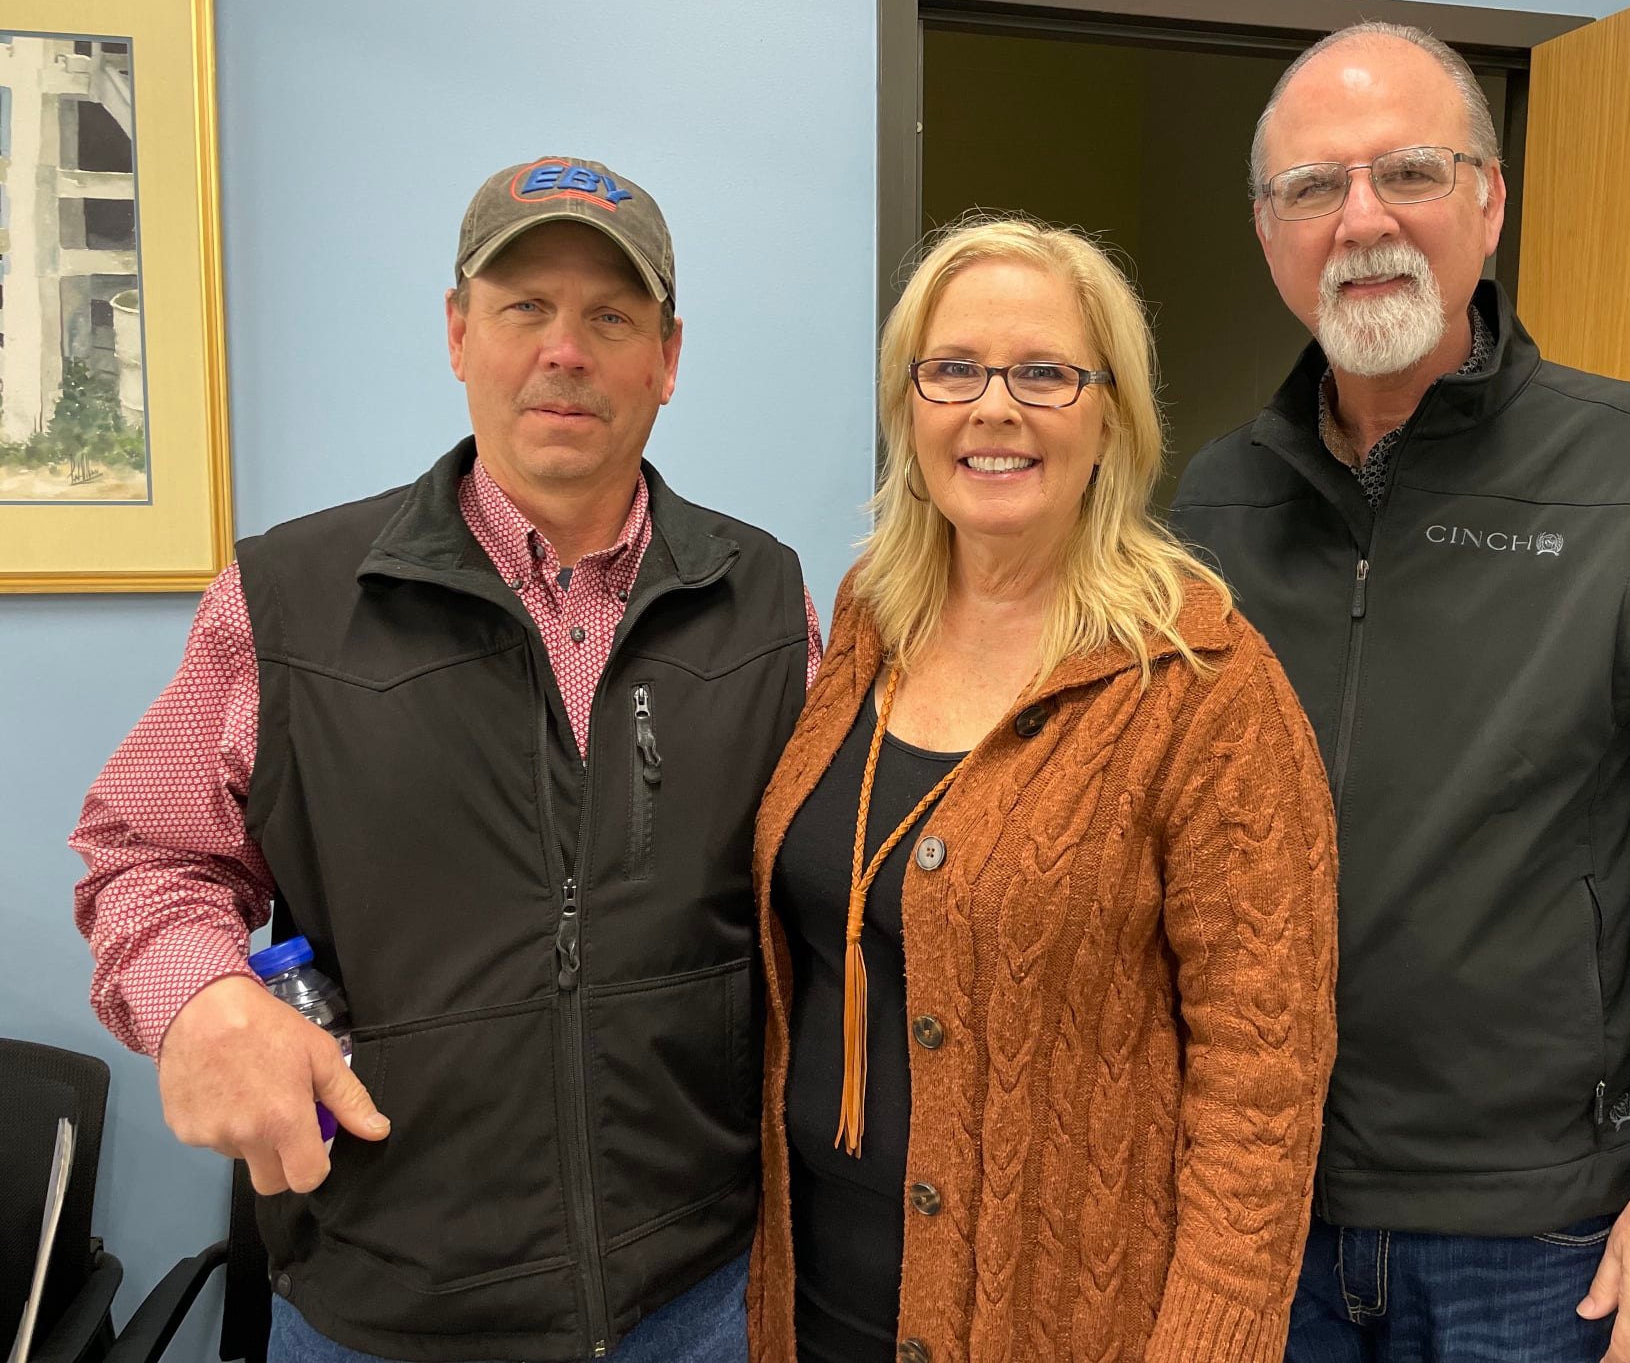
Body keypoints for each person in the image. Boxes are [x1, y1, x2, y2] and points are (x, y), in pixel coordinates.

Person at [1170, 25, 1630, 1363]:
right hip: (1256, 1215)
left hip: (1541, 1246)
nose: (1362, 220)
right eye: (1314, 187)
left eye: (1409, 171)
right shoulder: (1204, 509)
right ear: (1269, 234)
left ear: (1489, 200)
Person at [71, 156, 821, 1363]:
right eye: (525, 307)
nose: (564, 350)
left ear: (666, 360)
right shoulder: (288, 599)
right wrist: (203, 1000)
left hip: (699, 1297)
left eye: (610, 316)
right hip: (386, 1311)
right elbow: (143, 856)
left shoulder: (771, 600)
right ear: (459, 333)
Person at [745, 217, 1338, 1363]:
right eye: (954, 369)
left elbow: (1263, 1083)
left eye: (1045, 374)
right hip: (813, 1304)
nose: (994, 408)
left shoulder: (1202, 684)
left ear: (1111, 417)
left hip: (1059, 1321)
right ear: (909, 406)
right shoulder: (869, 618)